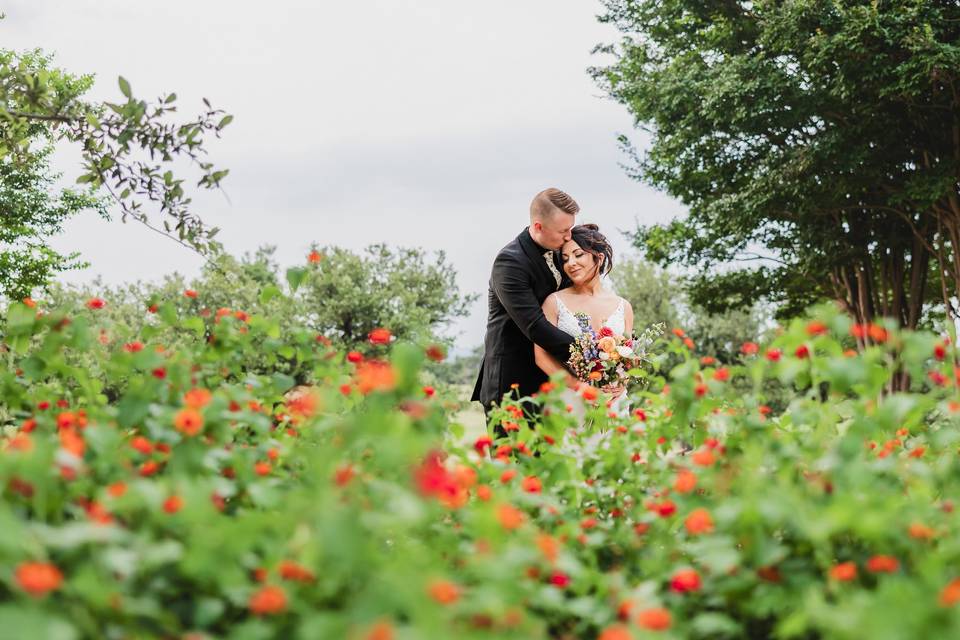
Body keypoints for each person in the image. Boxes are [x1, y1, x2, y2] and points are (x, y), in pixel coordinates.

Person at [471, 188, 579, 421]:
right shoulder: (510, 262)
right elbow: (535, 326)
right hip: (512, 385)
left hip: (551, 385)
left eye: (570, 228)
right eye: (563, 231)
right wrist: (591, 354)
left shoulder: (563, 253)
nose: (569, 236)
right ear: (539, 227)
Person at [534, 224, 633, 420]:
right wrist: (583, 389)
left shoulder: (623, 306)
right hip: (569, 404)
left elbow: (629, 357)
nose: (571, 263)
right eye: (565, 259)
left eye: (578, 255)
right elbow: (541, 358)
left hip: (614, 405)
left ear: (599, 257)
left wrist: (622, 382)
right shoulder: (554, 303)